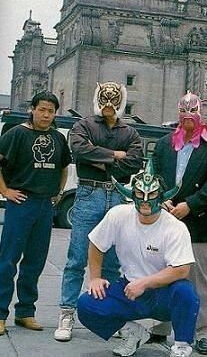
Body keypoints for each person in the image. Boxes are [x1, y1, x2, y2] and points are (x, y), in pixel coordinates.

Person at [77, 158, 200, 357]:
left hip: (163, 293)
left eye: (151, 194)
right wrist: (95, 277)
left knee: (187, 293)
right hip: (128, 289)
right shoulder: (118, 215)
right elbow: (96, 243)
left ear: (161, 197)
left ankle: (182, 345)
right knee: (86, 304)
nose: (145, 200)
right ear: (131, 194)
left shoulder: (176, 227)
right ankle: (132, 332)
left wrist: (144, 283)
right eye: (139, 194)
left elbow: (181, 269)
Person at [54, 81, 143, 341]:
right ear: (98, 98)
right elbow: (79, 150)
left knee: (113, 261)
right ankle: (67, 312)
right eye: (105, 98)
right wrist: (116, 155)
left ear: (121, 101)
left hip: (117, 196)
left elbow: (135, 161)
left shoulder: (130, 131)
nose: (109, 104)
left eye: (114, 99)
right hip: (88, 194)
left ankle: (108, 315)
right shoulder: (84, 125)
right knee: (77, 257)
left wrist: (101, 159)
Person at [151, 91, 207, 355]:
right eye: (183, 114)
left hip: (198, 221)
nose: (187, 119)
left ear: (200, 114)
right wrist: (162, 199)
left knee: (199, 280)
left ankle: (203, 332)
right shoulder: (163, 145)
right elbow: (156, 176)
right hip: (166, 219)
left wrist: (190, 205)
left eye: (192, 114)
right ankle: (160, 328)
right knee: (162, 275)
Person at [0, 91, 72, 335]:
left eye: (51, 111)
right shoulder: (16, 134)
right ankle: (0, 314)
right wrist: (5, 191)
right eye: (41, 109)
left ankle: (25, 312)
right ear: (32, 109)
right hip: (21, 202)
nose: (46, 114)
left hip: (44, 205)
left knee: (34, 262)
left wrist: (59, 192)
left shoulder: (58, 138)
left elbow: (64, 166)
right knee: (8, 260)